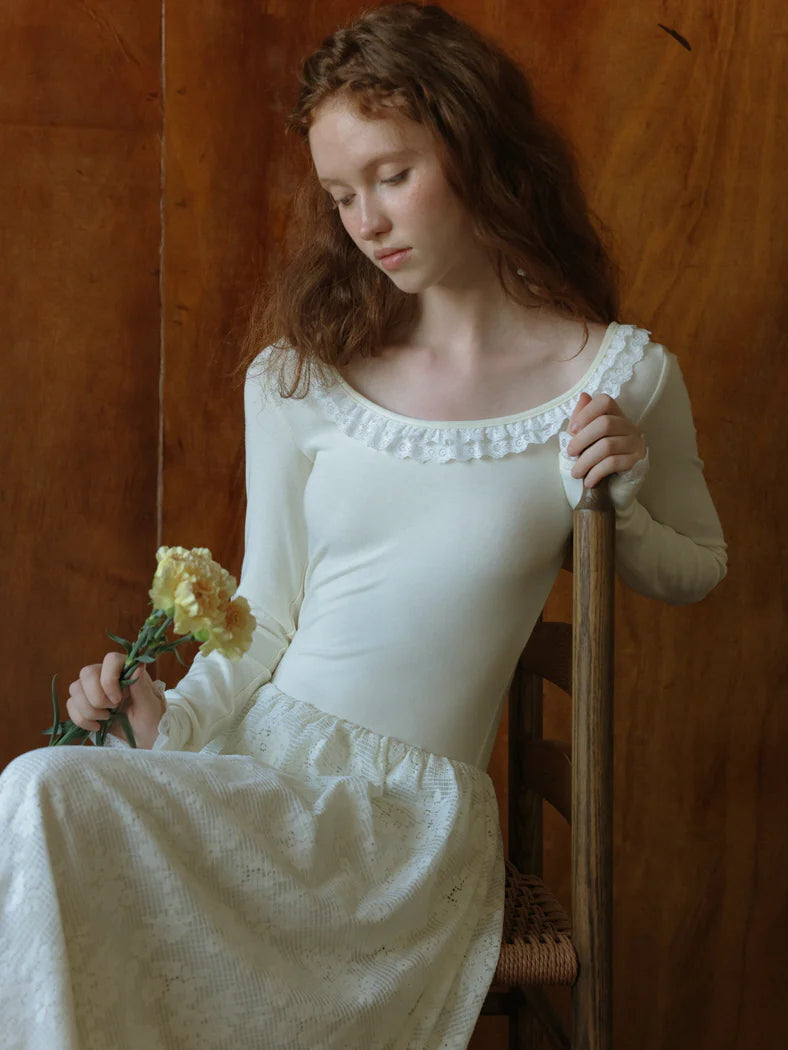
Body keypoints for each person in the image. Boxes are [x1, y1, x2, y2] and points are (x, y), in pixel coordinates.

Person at [0, 4, 727, 1048]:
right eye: (342, 194)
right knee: (43, 791)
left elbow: (697, 566)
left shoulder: (615, 378)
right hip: (258, 772)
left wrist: (618, 497)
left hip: (399, 831)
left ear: (476, 149)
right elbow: (268, 612)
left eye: (391, 176)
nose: (367, 222)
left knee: (44, 798)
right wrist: (173, 724)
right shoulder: (301, 376)